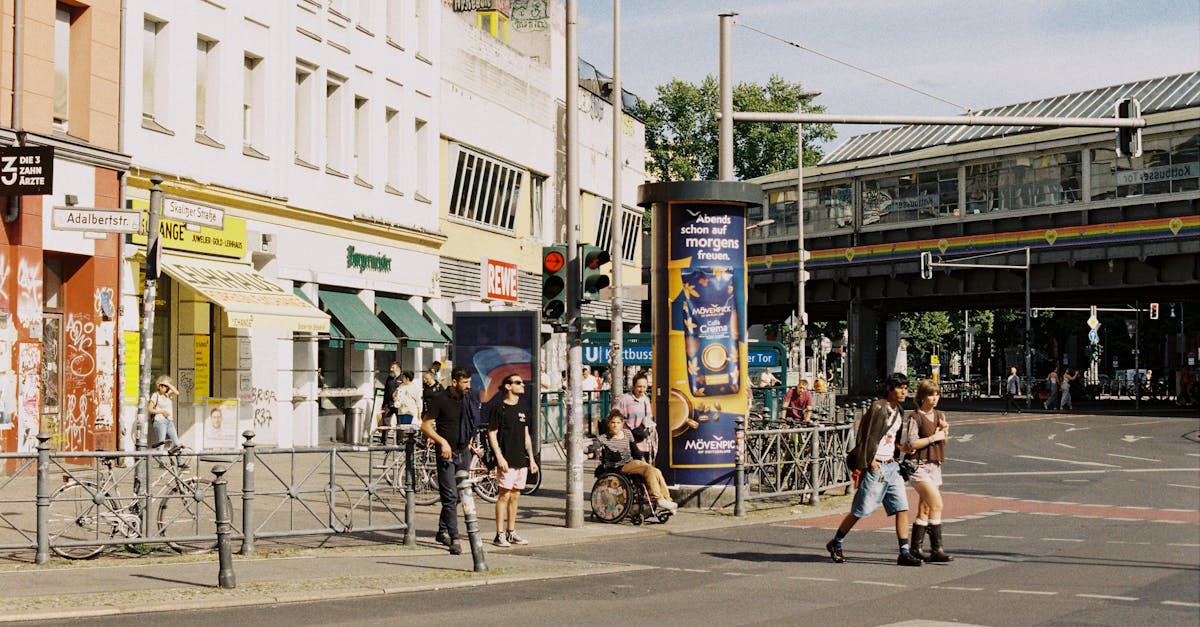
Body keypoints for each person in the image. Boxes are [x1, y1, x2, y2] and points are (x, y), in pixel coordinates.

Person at [825, 372, 923, 567]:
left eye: (905, 388)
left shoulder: (899, 410)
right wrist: (870, 462)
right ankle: (836, 542)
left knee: (902, 507)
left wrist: (902, 449)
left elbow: (891, 440)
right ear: (889, 388)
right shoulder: (878, 407)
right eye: (899, 388)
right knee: (861, 510)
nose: (904, 391)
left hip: (891, 466)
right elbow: (866, 436)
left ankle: (904, 552)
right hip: (876, 466)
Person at [421, 368, 474, 555]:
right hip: (446, 454)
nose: (469, 386)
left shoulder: (467, 399)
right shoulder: (440, 399)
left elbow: (469, 421)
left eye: (469, 382)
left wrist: (470, 441)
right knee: (450, 496)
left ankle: (442, 530)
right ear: (454, 382)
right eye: (465, 382)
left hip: (463, 451)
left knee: (459, 496)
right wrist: (442, 442)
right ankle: (455, 538)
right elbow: (425, 426)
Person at [902, 380, 952, 563]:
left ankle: (917, 548)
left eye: (937, 394)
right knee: (937, 504)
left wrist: (944, 433)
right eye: (931, 394)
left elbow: (943, 442)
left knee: (925, 507)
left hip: (935, 464)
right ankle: (937, 548)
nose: (935, 398)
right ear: (922, 397)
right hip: (919, 466)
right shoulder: (915, 418)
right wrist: (934, 437)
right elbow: (912, 443)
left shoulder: (940, 415)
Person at [589, 409, 676, 512]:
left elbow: (635, 449)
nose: (615, 425)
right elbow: (593, 447)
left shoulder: (627, 433)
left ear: (622, 424)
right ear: (609, 424)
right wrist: (587, 451)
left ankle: (667, 499)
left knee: (656, 471)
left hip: (630, 462)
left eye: (618, 423)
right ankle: (660, 499)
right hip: (618, 467)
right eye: (613, 423)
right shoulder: (604, 438)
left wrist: (643, 459)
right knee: (648, 470)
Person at [488, 374, 538, 547]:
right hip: (506, 459)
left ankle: (511, 531)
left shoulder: (523, 409)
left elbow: (526, 436)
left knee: (516, 495)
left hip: (520, 459)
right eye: (518, 382)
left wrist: (531, 459)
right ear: (508, 387)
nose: (522, 385)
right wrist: (499, 456)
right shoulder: (499, 408)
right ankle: (499, 534)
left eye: (522, 382)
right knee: (504, 495)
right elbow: (492, 434)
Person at [614, 372, 656, 460]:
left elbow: (648, 419)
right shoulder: (625, 399)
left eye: (644, 387)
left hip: (642, 441)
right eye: (639, 386)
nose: (642, 389)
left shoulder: (646, 400)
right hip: (628, 442)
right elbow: (614, 417)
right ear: (634, 386)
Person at [148, 375, 187, 467]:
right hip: (159, 421)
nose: (164, 388)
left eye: (166, 386)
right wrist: (161, 411)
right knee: (161, 442)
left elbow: (177, 392)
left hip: (169, 421)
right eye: (162, 385)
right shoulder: (155, 395)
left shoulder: (168, 395)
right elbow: (150, 409)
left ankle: (180, 463)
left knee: (176, 442)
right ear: (159, 386)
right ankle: (161, 462)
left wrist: (168, 384)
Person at [381, 362, 402, 443]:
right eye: (391, 367)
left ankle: (399, 441)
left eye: (393, 367)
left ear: (398, 369)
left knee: (399, 423)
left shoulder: (402, 378)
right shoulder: (389, 378)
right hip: (388, 404)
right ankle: (383, 441)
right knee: (385, 421)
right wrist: (383, 405)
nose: (391, 369)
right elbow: (386, 391)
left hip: (398, 405)